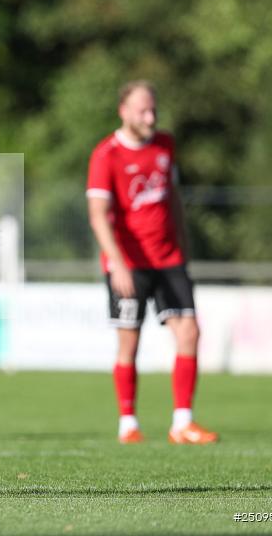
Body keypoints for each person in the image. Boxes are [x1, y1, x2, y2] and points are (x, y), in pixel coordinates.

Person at [87, 80, 218, 445]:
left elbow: (172, 197)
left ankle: (183, 423)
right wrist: (118, 264)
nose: (150, 117)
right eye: (143, 110)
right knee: (129, 342)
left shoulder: (165, 146)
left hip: (168, 258)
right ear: (124, 111)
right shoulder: (106, 154)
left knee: (189, 332)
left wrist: (184, 243)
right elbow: (98, 215)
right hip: (128, 262)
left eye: (153, 110)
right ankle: (128, 423)